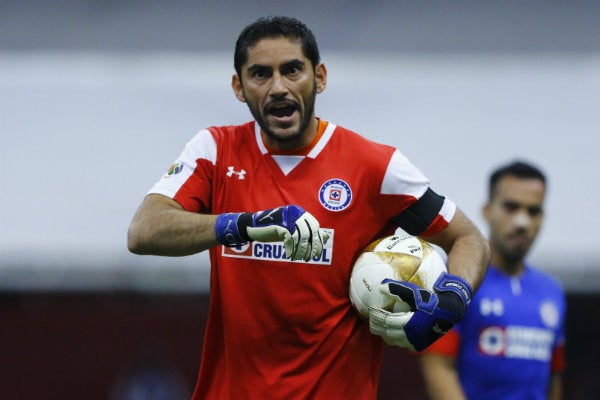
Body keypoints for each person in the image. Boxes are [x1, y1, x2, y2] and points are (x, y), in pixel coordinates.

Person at [127, 16, 489, 400]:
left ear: (319, 77)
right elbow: (143, 231)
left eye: (292, 70)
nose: (278, 87)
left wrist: (453, 299)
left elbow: (468, 238)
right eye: (260, 74)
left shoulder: (375, 167)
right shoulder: (215, 151)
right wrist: (243, 224)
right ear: (239, 87)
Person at [419, 160, 566, 400]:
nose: (522, 222)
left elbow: (553, 378)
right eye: (511, 207)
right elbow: (439, 368)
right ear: (487, 210)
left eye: (533, 211)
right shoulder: (456, 279)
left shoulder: (552, 292)